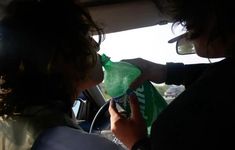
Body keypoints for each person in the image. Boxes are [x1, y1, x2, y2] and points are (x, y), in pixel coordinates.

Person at [109, 0, 235, 149]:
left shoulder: (173, 127)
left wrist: (137, 143)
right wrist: (166, 72)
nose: (184, 24)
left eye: (192, 14)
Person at [0, 0, 124, 150]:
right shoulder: (82, 146)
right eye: (84, 35)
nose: (95, 45)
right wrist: (139, 142)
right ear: (54, 56)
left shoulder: (9, 124)